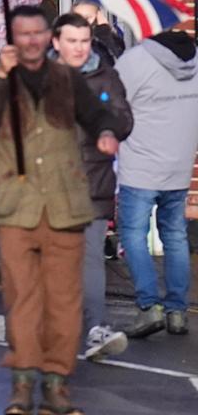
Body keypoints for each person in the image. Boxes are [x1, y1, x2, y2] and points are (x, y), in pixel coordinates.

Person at [0, 6, 118, 415]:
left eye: (39, 32)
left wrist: (107, 133)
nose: (32, 40)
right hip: (15, 207)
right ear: (13, 39)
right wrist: (2, 75)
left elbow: (98, 114)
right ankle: (22, 385)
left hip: (64, 204)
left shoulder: (67, 79)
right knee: (22, 298)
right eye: (24, 33)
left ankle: (57, 384)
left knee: (63, 299)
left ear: (49, 38)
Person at [51, 12, 134, 361]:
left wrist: (108, 129)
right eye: (72, 41)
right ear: (57, 43)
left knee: (89, 259)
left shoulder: (105, 75)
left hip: (93, 182)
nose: (79, 48)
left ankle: (95, 328)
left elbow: (124, 116)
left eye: (84, 41)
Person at [114, 24, 198, 340]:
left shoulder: (134, 61)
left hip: (141, 163)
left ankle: (149, 307)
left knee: (134, 232)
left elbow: (112, 105)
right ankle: (177, 312)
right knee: (175, 235)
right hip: (179, 164)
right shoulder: (195, 59)